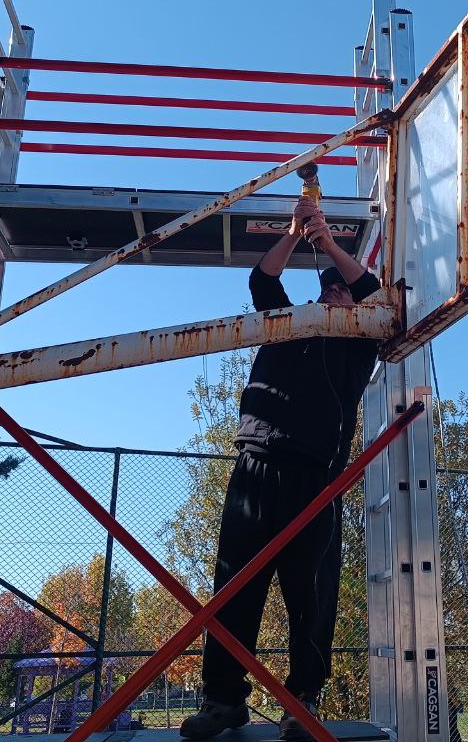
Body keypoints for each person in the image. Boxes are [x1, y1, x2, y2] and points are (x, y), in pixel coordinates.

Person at [181, 196, 382, 741]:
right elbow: (262, 279)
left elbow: (372, 293)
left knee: (311, 595)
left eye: (342, 289)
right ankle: (224, 700)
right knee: (234, 589)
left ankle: (302, 700)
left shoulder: (358, 343)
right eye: (327, 288)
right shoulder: (286, 324)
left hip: (315, 480)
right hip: (254, 467)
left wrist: (329, 245)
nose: (334, 291)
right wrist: (294, 233)